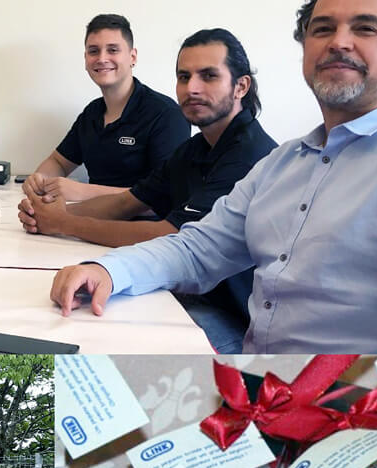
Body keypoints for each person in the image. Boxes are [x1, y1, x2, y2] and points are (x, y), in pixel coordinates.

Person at [50, 0, 377, 353]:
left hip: (351, 421)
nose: (338, 42)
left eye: (365, 28)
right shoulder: (282, 164)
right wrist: (108, 270)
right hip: (253, 391)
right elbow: (198, 249)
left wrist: (340, 414)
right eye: (321, 29)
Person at [19, 28, 275, 351]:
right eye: (184, 77)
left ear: (241, 86)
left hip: (229, 316)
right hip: (177, 290)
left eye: (208, 76)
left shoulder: (249, 156)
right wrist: (50, 214)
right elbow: (128, 201)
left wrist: (63, 223)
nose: (192, 88)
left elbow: (170, 238)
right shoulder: (194, 149)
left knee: (103, 341)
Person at [23, 14, 190, 203]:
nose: (102, 58)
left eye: (113, 50)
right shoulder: (91, 114)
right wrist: (40, 179)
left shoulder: (166, 115)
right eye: (93, 51)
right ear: (85, 58)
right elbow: (58, 162)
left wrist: (83, 192)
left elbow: (166, 196)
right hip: (89, 218)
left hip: (142, 229)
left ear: (132, 57)